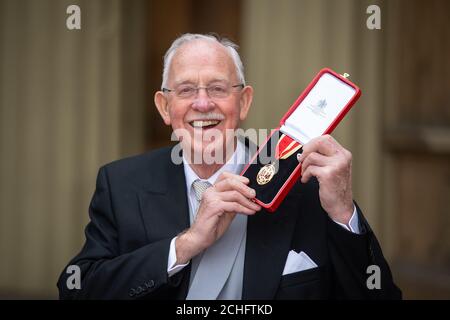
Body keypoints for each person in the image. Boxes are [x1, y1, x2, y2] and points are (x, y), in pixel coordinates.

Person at [57, 33, 401, 300]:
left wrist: (342, 213)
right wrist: (186, 245)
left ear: (244, 101)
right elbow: (77, 289)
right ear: (164, 107)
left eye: (218, 89)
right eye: (187, 90)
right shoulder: (121, 184)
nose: (203, 103)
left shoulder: (305, 185)